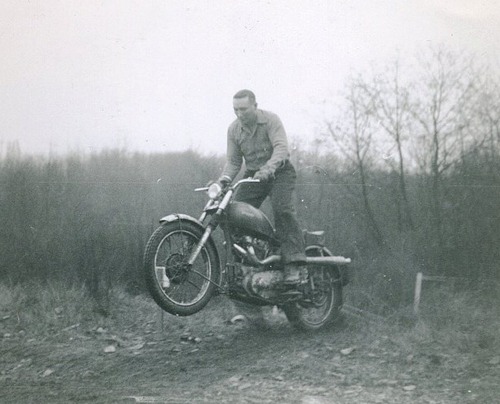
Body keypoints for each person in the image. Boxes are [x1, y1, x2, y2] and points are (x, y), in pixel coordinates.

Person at [217, 89, 306, 285]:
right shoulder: (233, 130)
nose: (240, 114)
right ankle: (248, 260)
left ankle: (294, 264)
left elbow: (282, 148)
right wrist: (224, 179)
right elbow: (233, 161)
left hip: (280, 172)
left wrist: (268, 169)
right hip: (254, 176)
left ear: (255, 107)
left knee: (282, 209)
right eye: (235, 110)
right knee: (234, 213)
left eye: (244, 109)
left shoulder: (271, 121)